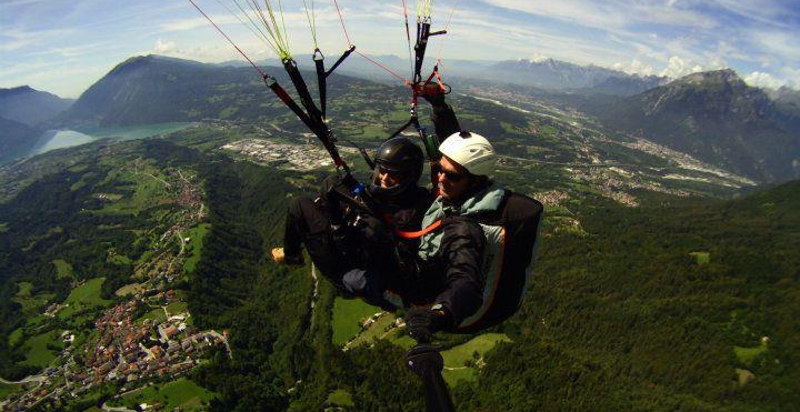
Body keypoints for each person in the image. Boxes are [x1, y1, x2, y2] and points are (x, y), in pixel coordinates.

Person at [272, 96, 461, 309]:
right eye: (382, 170)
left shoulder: (411, 215)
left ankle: (292, 256)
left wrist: (336, 220)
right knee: (331, 183)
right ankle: (315, 228)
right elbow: (453, 155)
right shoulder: (401, 196)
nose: (384, 178)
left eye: (393, 175)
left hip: (353, 269)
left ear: (409, 177)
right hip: (359, 245)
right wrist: (440, 108)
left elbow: (351, 248)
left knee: (298, 205)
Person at [405, 131, 544, 342]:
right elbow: (460, 160)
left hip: (459, 311)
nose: (440, 178)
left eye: (451, 176)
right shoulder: (470, 194)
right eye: (439, 169)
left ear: (474, 181)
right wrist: (441, 113)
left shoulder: (466, 229)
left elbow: (465, 283)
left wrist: (439, 315)